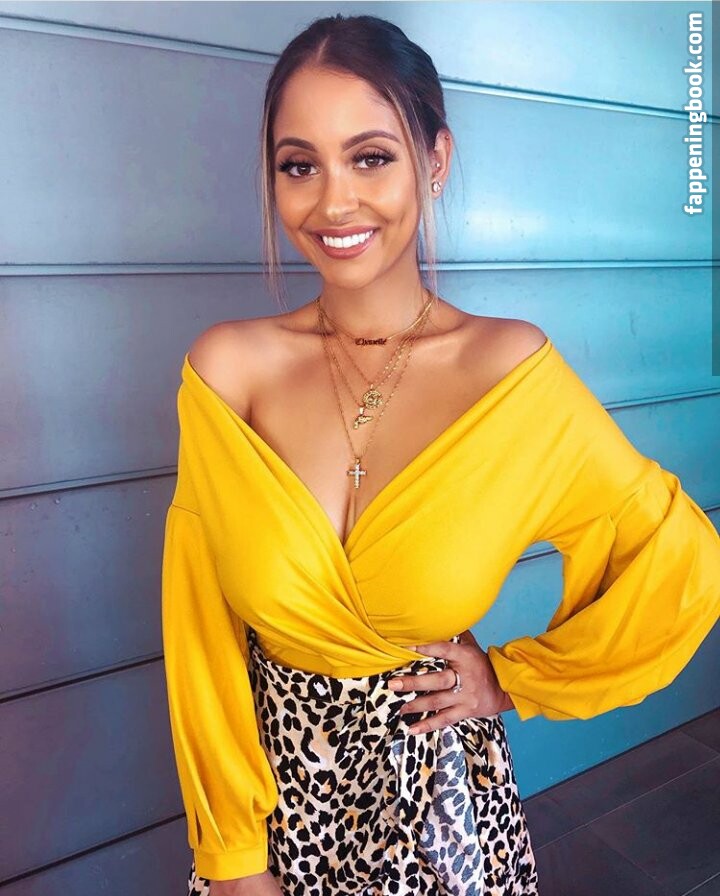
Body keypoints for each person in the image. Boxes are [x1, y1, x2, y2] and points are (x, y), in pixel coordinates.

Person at [161, 13, 720, 896]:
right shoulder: (227, 370)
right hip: (276, 816)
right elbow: (200, 624)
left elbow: (677, 557)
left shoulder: (508, 374)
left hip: (445, 814)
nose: (333, 202)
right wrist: (233, 856)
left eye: (370, 157)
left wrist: (517, 678)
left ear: (436, 160)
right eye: (300, 165)